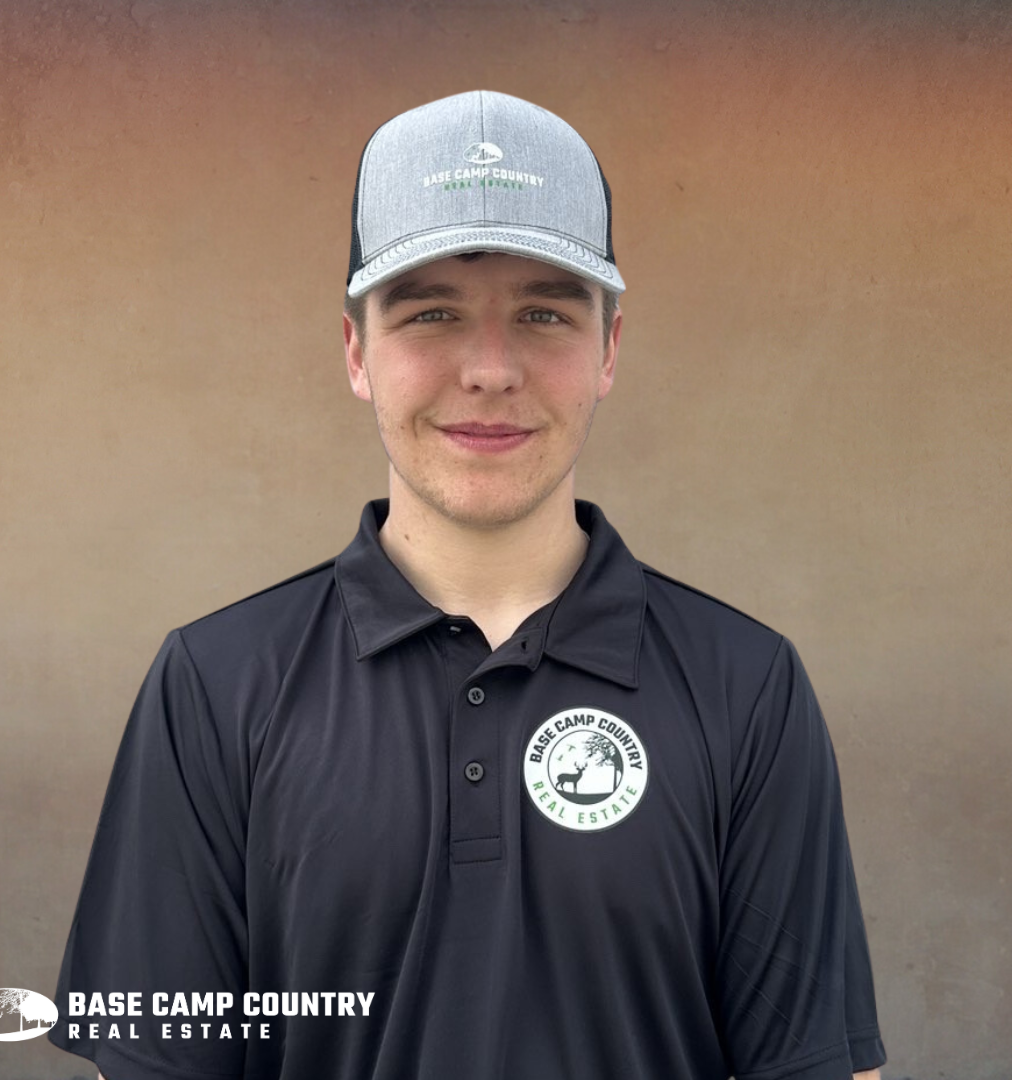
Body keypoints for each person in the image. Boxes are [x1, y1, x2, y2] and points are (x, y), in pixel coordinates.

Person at [49, 90, 886, 1080]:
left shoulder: (747, 686)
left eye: (544, 313)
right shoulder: (215, 683)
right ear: (357, 352)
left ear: (609, 349)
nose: (490, 369)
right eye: (432, 313)